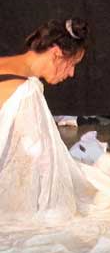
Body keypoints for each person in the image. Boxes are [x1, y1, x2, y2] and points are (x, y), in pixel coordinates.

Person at [0, 18, 91, 216]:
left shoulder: (7, 65)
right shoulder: (26, 91)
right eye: (72, 64)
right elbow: (37, 155)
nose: (72, 73)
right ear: (56, 54)